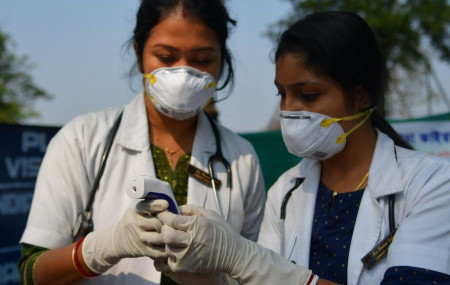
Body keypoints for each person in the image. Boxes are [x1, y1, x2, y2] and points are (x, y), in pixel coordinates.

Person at [154, 11, 450, 285]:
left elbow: (266, 271)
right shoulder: (285, 192)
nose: (288, 110)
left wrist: (247, 259)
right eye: (282, 94)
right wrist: (205, 274)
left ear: (361, 96)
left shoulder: (431, 183)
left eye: (308, 95)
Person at [18, 0, 266, 284]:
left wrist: (218, 277)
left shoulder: (241, 158)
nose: (182, 75)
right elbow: (32, 272)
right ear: (138, 55)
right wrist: (101, 248)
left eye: (201, 60)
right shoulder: (81, 140)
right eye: (166, 57)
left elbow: (259, 269)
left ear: (222, 60)